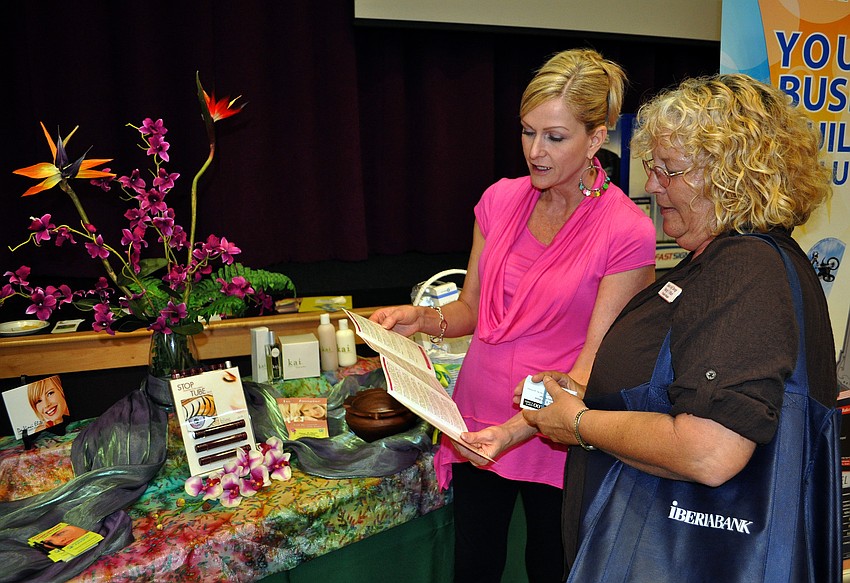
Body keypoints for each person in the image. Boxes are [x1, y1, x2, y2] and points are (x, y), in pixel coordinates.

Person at [458, 73, 837, 578]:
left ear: (731, 176)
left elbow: (709, 451)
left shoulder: (745, 269)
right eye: (653, 168)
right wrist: (570, 393)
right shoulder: (729, 261)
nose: (653, 186)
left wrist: (578, 423)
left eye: (670, 171)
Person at [370, 48, 657, 582]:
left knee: (550, 567)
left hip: (552, 432)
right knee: (474, 568)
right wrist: (420, 319)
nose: (535, 151)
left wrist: (517, 428)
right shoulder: (499, 200)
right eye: (527, 132)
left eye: (555, 136)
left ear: (596, 138)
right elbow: (472, 310)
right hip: (475, 421)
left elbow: (594, 364)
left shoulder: (626, 232)